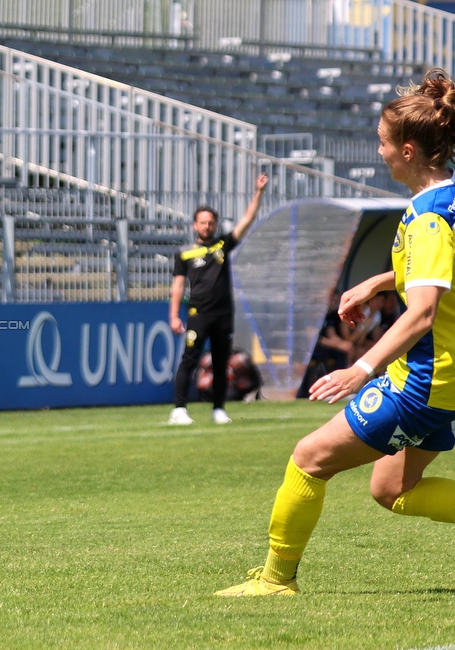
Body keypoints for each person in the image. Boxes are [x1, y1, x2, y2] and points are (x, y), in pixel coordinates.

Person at [216, 68, 455, 597]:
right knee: (393, 488)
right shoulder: (450, 205)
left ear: (410, 150)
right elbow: (439, 275)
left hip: (420, 382)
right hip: (447, 382)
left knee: (308, 458)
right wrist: (377, 281)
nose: (381, 153)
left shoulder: (429, 217)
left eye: (384, 143)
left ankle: (277, 580)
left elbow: (420, 313)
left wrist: (359, 368)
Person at [168, 173, 269, 425]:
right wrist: (173, 316)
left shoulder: (222, 245)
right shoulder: (184, 253)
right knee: (189, 360)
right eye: (202, 223)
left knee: (221, 362)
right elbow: (178, 285)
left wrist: (258, 192)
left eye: (211, 223)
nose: (207, 227)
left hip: (223, 315)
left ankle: (218, 409)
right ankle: (179, 409)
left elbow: (247, 219)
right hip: (198, 314)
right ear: (194, 225)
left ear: (215, 224)